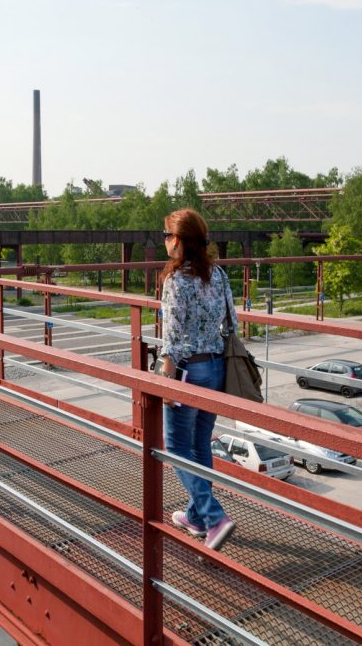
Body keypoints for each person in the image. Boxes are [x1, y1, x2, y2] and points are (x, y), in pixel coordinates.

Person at [158, 208, 237, 551]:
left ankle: (214, 516)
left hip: (187, 371)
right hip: (216, 368)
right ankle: (197, 517)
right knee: (201, 443)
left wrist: (166, 378)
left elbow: (172, 338)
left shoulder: (176, 281)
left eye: (166, 235)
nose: (164, 241)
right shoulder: (218, 275)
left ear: (177, 241)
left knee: (176, 448)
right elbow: (232, 323)